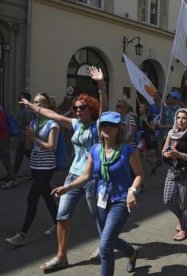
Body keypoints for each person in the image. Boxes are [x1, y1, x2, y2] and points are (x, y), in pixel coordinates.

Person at [19, 66, 107, 270]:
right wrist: (33, 106)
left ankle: (105, 244)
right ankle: (61, 257)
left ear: (91, 109)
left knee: (98, 216)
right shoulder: (75, 124)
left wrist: (101, 84)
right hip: (73, 176)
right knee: (62, 216)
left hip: (93, 178)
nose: (77, 110)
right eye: (76, 107)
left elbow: (104, 106)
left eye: (82, 108)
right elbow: (53, 115)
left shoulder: (99, 125)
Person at [52, 111, 144, 276]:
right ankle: (131, 252)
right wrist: (67, 188)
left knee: (105, 245)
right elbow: (86, 176)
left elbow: (139, 175)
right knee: (107, 240)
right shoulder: (95, 150)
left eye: (111, 126)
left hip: (120, 200)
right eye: (104, 125)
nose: (107, 128)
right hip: (101, 200)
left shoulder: (127, 150)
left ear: (119, 129)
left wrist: (131, 191)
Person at [5, 93, 59, 245]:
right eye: (35, 102)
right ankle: (58, 222)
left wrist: (34, 138)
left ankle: (22, 235)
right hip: (35, 165)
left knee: (32, 198)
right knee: (47, 196)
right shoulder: (34, 122)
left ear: (47, 106)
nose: (36, 105)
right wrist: (29, 137)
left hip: (47, 167)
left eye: (40, 103)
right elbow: (29, 147)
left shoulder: (52, 124)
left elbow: (51, 146)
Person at [162, 108, 187, 241]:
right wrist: (165, 153)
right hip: (172, 171)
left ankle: (184, 229)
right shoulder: (171, 133)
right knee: (168, 200)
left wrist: (179, 155)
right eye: (178, 118)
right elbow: (164, 148)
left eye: (184, 118)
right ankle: (181, 218)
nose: (181, 120)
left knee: (185, 203)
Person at [13, 92, 35, 176]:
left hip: (24, 138)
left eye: (20, 99)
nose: (18, 100)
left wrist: (28, 139)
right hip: (21, 136)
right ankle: (35, 174)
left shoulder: (28, 111)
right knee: (29, 156)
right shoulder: (21, 110)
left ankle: (12, 175)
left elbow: (30, 125)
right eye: (18, 98)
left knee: (19, 156)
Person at [136, 103, 158, 174]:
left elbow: (154, 128)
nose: (140, 109)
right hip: (140, 138)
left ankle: (153, 165)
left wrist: (147, 123)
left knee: (145, 157)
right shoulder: (138, 117)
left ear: (145, 109)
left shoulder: (149, 117)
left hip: (147, 138)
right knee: (137, 154)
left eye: (142, 107)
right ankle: (137, 170)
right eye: (139, 108)